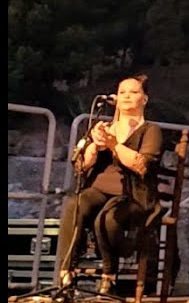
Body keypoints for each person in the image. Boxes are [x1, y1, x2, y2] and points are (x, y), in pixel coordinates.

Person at [57, 74, 164, 293]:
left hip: (133, 195)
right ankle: (66, 274)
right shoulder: (103, 127)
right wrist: (95, 146)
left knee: (108, 219)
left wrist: (114, 145)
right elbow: (81, 166)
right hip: (98, 189)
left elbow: (142, 165)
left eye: (133, 92)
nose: (126, 96)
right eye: (122, 92)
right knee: (75, 205)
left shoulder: (151, 130)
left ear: (144, 99)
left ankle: (110, 275)